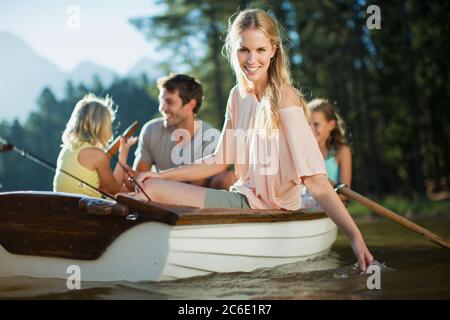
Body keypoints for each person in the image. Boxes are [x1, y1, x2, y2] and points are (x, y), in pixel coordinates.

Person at [135, 9, 373, 271]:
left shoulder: (285, 98)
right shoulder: (237, 96)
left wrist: (355, 236)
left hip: (276, 208)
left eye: (260, 50)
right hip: (243, 199)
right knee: (150, 188)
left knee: (151, 192)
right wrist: (162, 176)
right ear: (233, 50)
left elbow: (315, 181)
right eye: (244, 50)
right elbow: (219, 160)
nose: (251, 59)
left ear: (273, 49)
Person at [132, 73, 236, 189]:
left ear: (190, 105)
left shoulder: (211, 139)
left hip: (196, 199)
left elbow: (197, 191)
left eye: (169, 102)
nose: (162, 108)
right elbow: (138, 178)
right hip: (160, 195)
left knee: (228, 179)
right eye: (161, 101)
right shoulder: (151, 130)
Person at [53, 93, 136, 198]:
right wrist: (123, 153)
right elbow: (114, 188)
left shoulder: (67, 149)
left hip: (62, 207)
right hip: (86, 211)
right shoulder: (97, 155)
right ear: (102, 126)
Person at [308, 98, 351, 202]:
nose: (311, 129)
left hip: (328, 210)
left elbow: (345, 194)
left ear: (331, 125)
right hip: (304, 208)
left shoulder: (341, 151)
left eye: (316, 124)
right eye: (308, 124)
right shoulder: (303, 152)